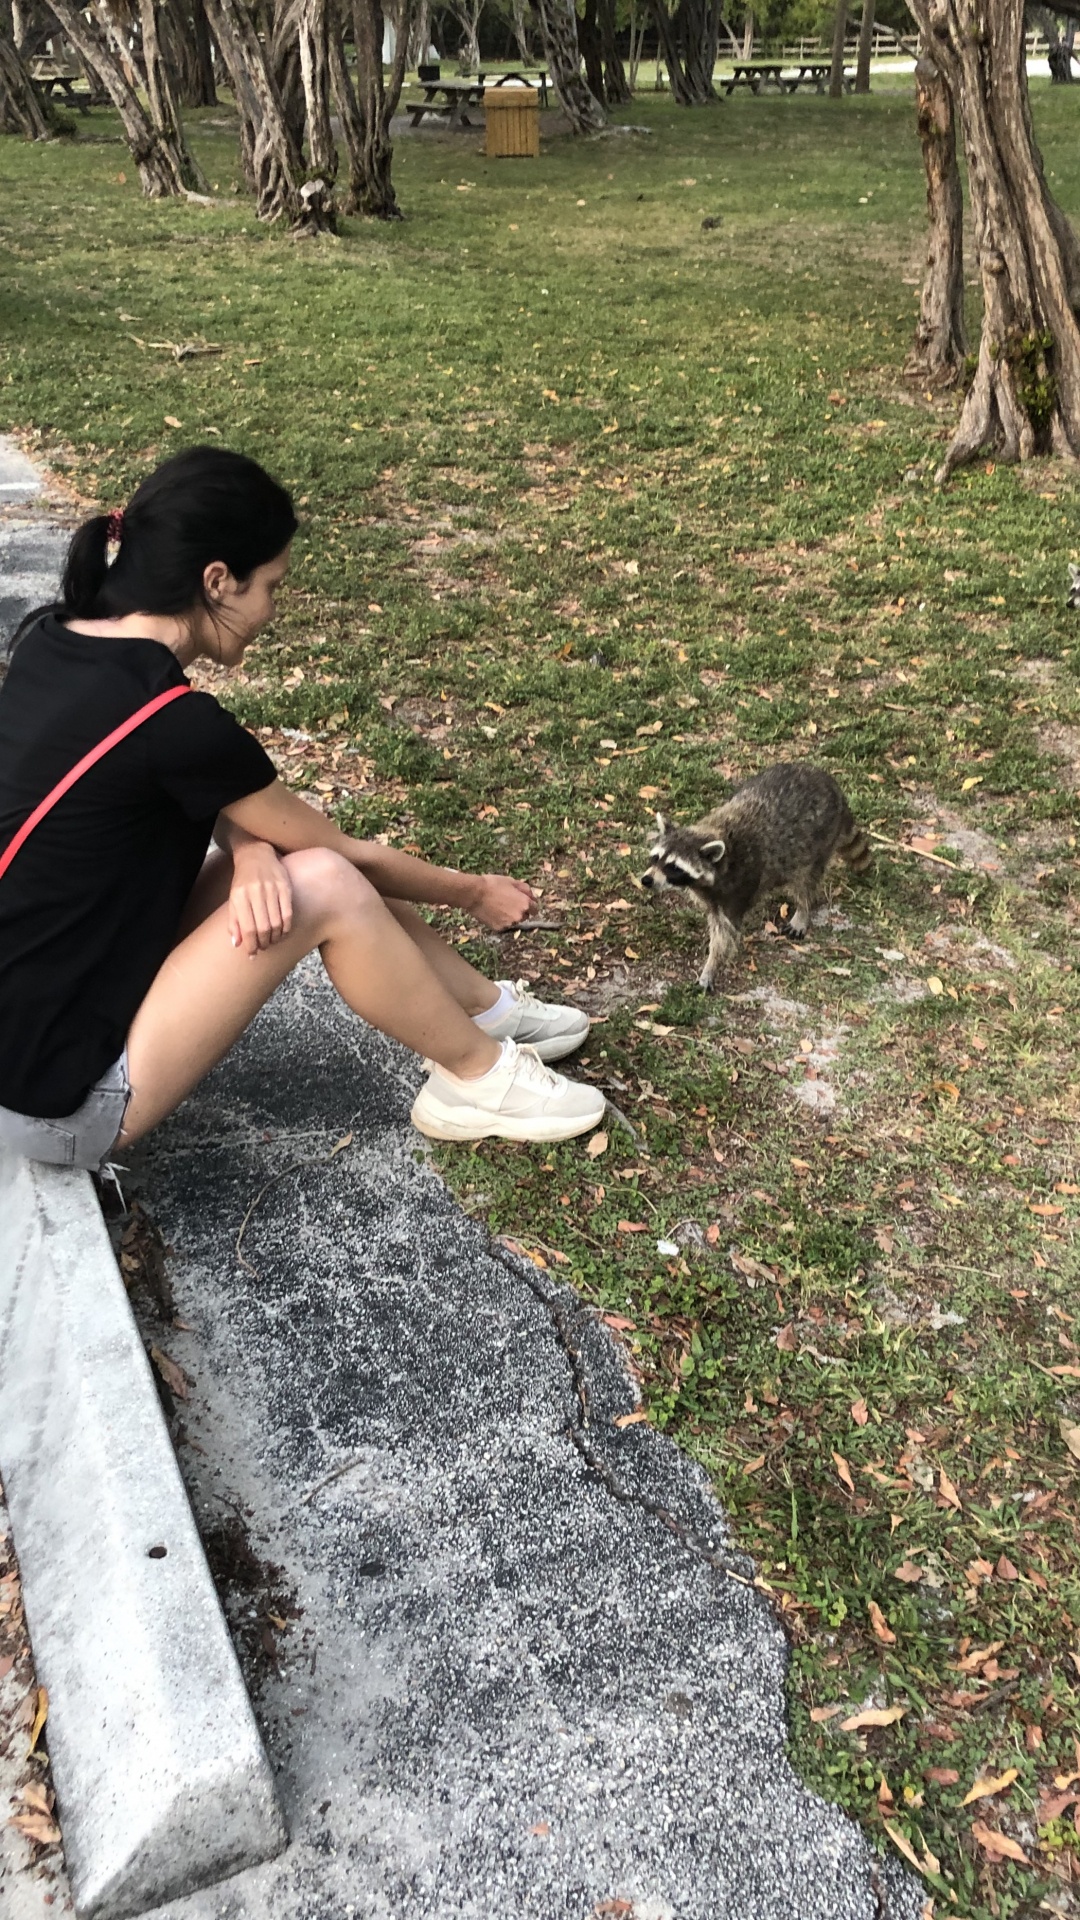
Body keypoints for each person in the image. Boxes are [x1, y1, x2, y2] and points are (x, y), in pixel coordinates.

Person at [0, 446, 605, 1172]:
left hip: (25, 1032)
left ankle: (484, 1009)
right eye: (272, 586)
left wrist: (254, 849)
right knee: (324, 884)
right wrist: (473, 893)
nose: (272, 611)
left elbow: (168, 788)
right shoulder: (173, 720)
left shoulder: (52, 640)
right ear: (217, 580)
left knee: (290, 858)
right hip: (58, 1104)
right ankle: (476, 1078)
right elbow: (338, 851)